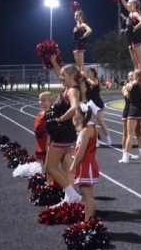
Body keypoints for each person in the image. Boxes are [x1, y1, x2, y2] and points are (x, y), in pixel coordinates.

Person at [45, 62, 86, 205]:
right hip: (66, 132)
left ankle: (71, 194)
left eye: (63, 75)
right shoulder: (69, 88)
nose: (60, 77)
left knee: (49, 167)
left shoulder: (72, 90)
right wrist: (53, 61)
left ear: (72, 76)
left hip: (62, 133)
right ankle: (69, 196)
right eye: (60, 75)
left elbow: (75, 107)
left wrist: (60, 119)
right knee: (66, 163)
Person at [69, 107, 98, 221]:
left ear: (81, 114)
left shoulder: (87, 130)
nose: (74, 115)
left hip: (85, 165)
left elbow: (81, 151)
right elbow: (79, 129)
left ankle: (88, 223)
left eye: (76, 113)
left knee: (87, 196)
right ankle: (90, 221)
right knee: (89, 195)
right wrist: (75, 123)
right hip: (87, 164)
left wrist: (73, 166)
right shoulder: (90, 127)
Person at [119, 70, 141, 163]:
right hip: (128, 111)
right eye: (129, 76)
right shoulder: (127, 86)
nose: (130, 77)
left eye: (132, 75)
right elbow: (126, 95)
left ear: (135, 77)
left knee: (139, 133)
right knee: (126, 134)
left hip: (135, 111)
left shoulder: (140, 86)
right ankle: (124, 154)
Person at [84, 67, 113, 144]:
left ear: (93, 72)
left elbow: (94, 83)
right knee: (92, 123)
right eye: (87, 72)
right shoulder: (86, 82)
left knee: (101, 122)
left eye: (89, 72)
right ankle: (96, 140)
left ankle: (108, 138)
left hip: (97, 104)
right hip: (90, 104)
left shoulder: (95, 80)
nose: (87, 74)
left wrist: (85, 79)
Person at [119, 0, 141, 71]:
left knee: (139, 60)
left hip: (136, 38)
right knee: (134, 61)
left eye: (129, 3)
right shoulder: (131, 13)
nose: (127, 4)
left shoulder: (135, 13)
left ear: (133, 5)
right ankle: (136, 74)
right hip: (131, 38)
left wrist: (135, 28)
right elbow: (125, 4)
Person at [34, 92, 53, 162]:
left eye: (44, 100)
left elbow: (50, 131)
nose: (41, 102)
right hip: (40, 141)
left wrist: (48, 145)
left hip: (46, 142)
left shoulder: (50, 114)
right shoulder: (40, 113)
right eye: (40, 100)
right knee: (45, 164)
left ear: (50, 101)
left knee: (49, 166)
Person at [72, 7, 93, 73]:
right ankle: (80, 79)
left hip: (80, 46)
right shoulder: (77, 24)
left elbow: (90, 30)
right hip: (76, 45)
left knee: (81, 65)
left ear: (81, 16)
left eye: (76, 16)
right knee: (78, 65)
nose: (75, 17)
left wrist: (82, 37)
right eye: (74, 16)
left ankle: (83, 81)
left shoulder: (82, 24)